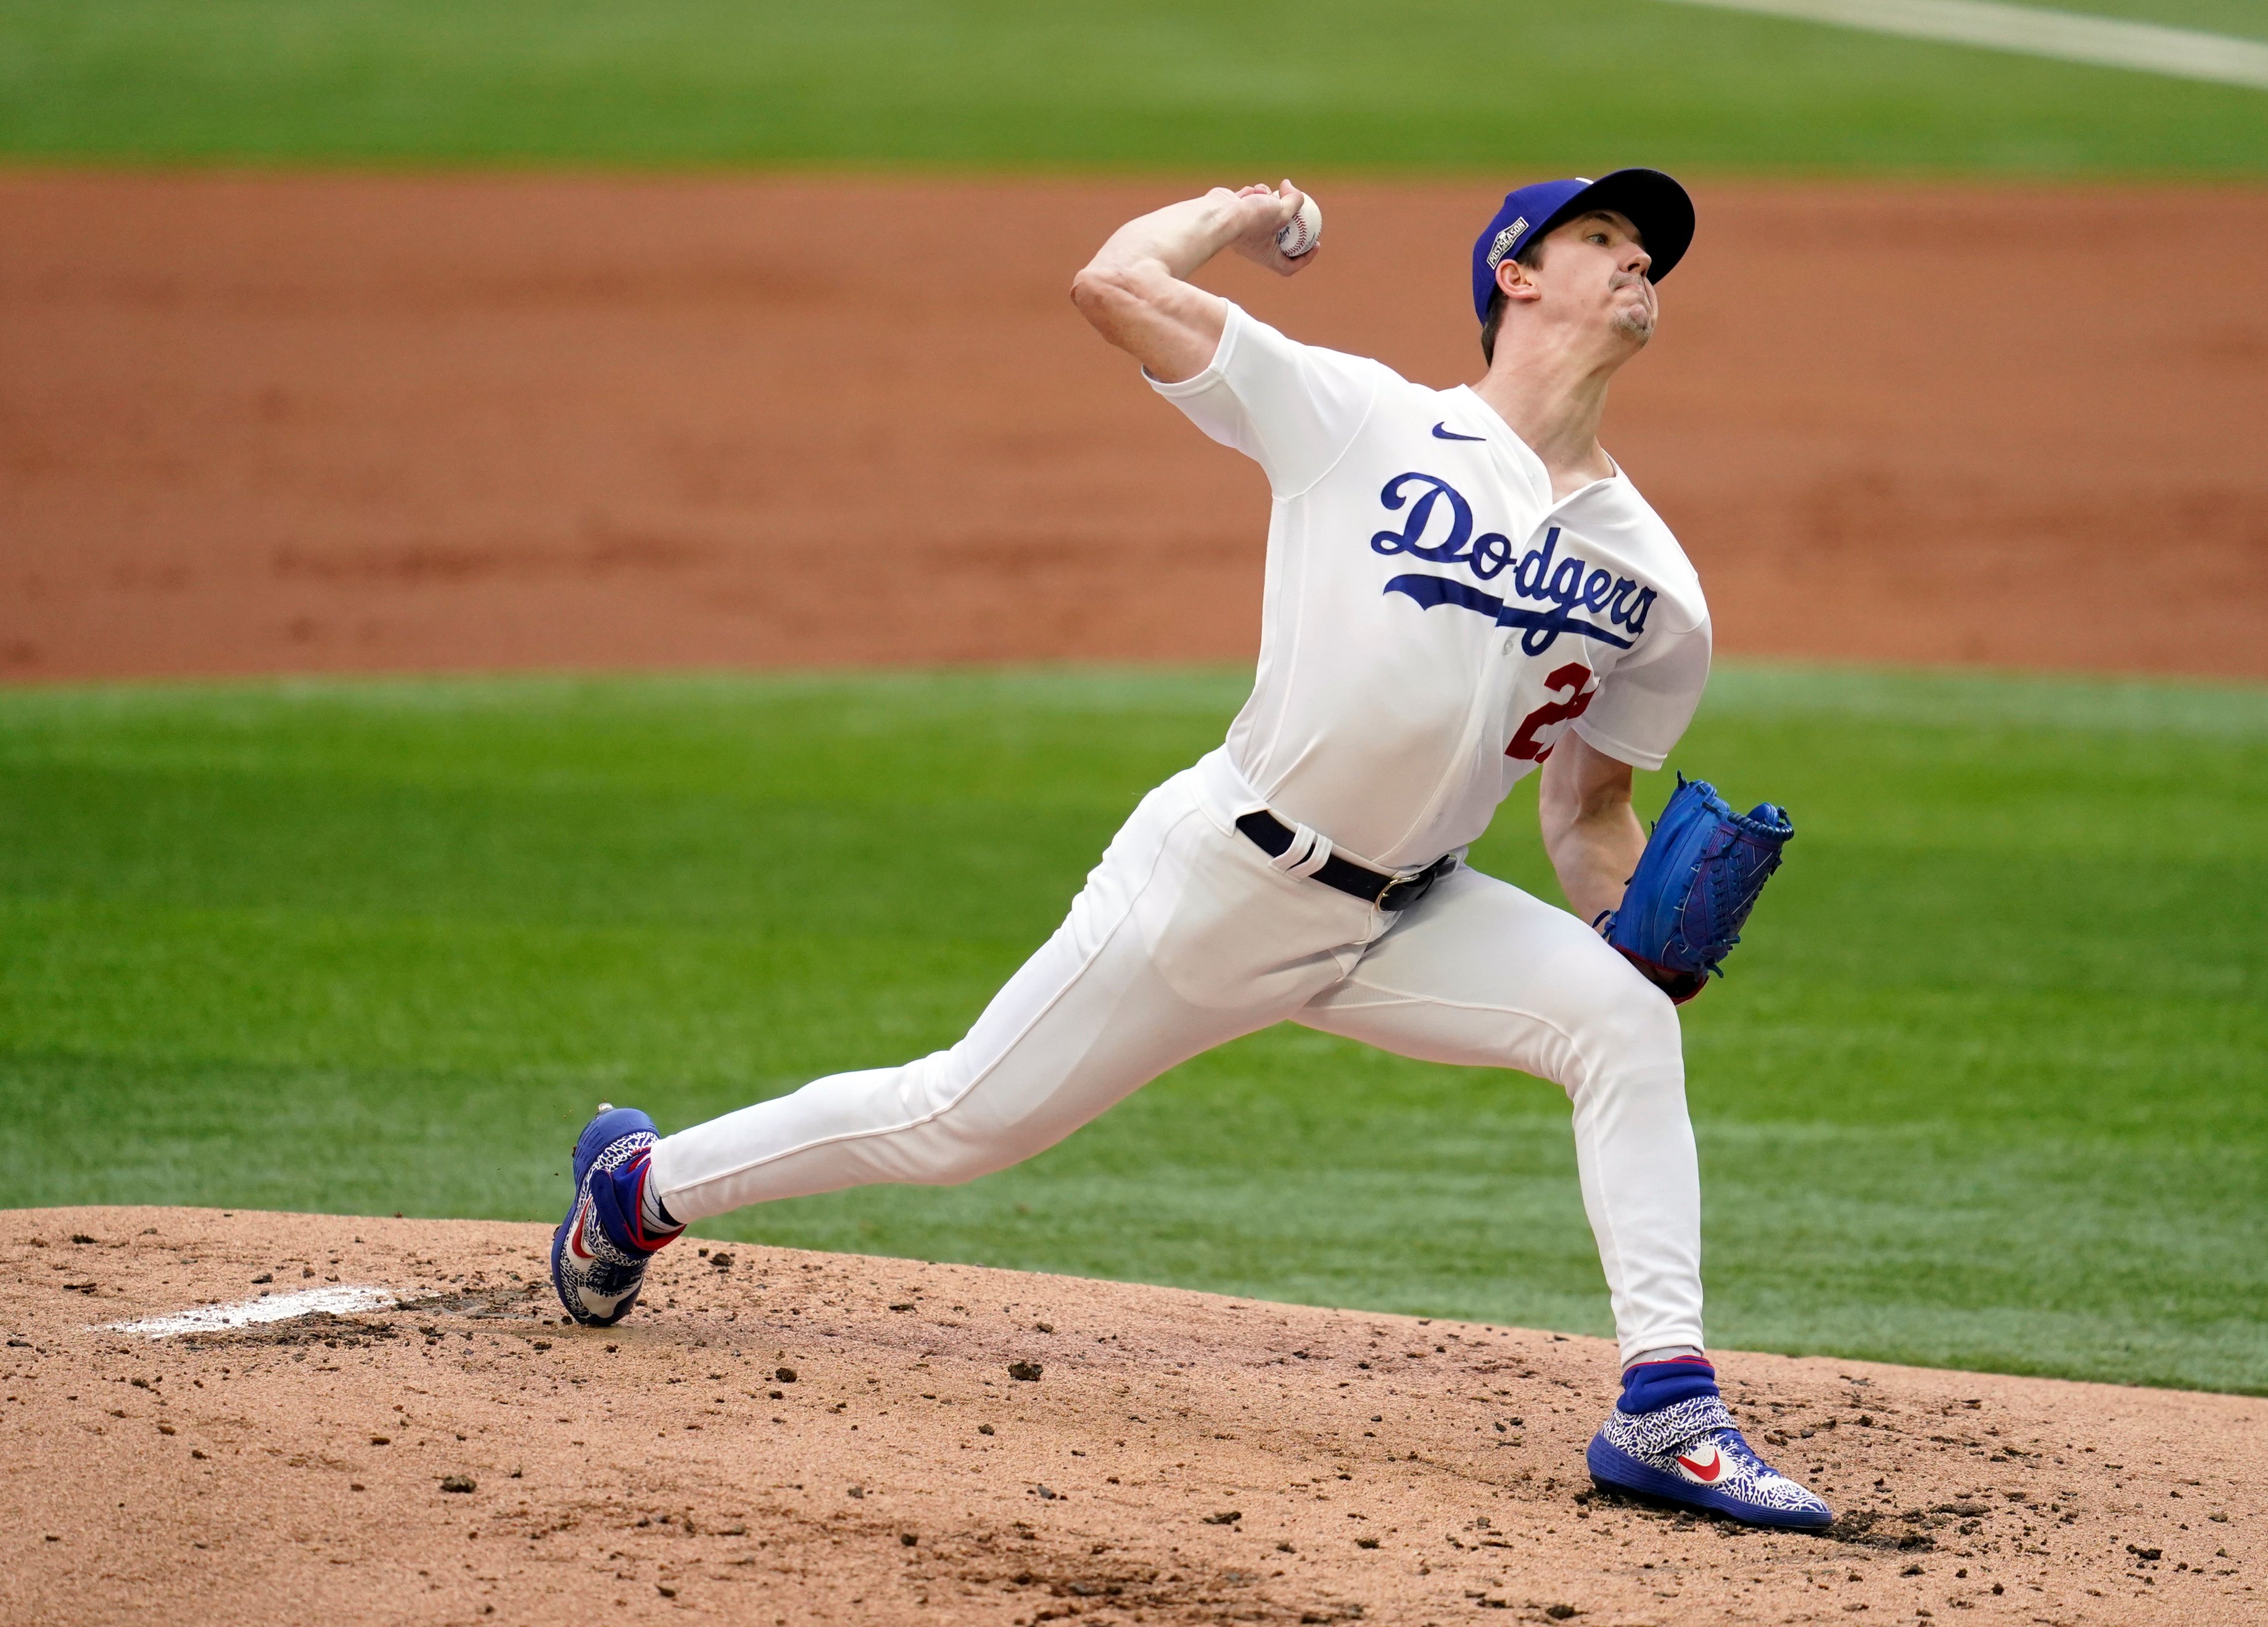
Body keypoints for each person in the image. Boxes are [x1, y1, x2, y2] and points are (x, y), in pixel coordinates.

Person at [550, 171, 1831, 1530]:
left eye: (1650, 255)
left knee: (1623, 1026)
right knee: (956, 1122)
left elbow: (1583, 816)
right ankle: (640, 1188)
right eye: (1604, 239)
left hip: (1409, 918)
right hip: (1221, 882)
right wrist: (1230, 212)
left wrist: (1647, 933)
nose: (1639, 266)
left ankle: (1667, 1411)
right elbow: (1111, 287)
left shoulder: (1653, 584)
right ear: (1513, 272)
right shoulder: (1360, 419)